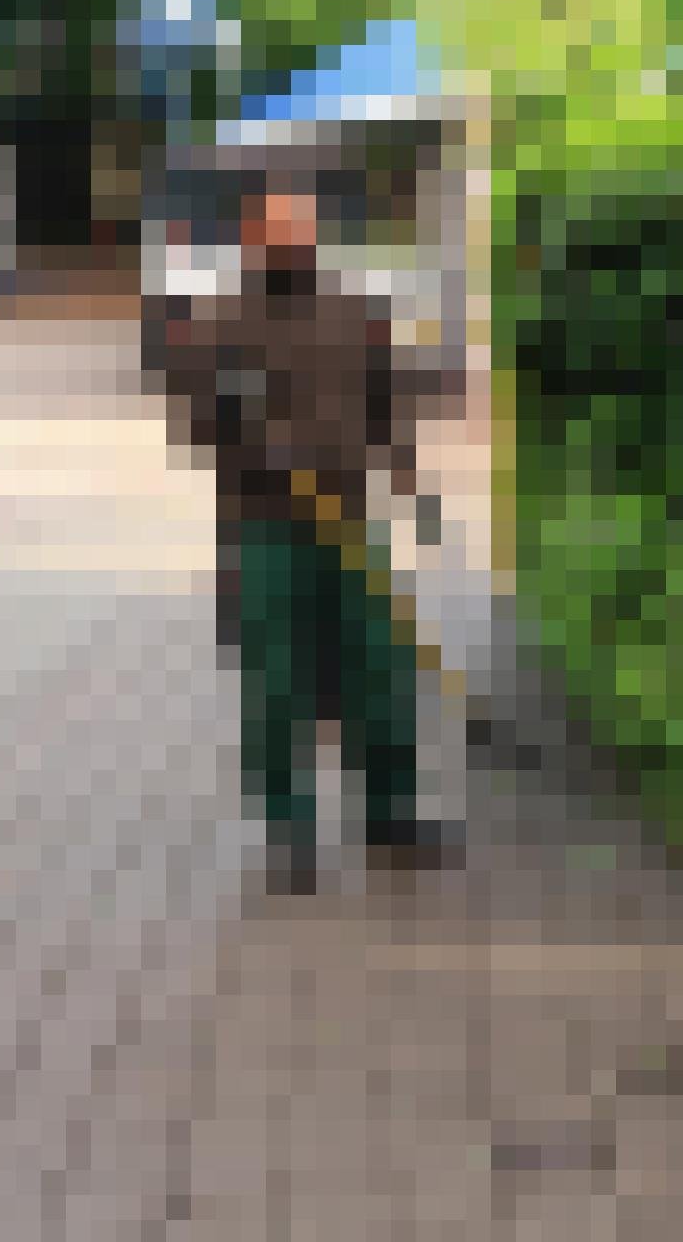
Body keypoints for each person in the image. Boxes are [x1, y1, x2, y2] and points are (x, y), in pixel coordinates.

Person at [152, 169, 467, 894]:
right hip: (263, 526)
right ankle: (289, 833)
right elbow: (193, 429)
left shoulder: (357, 313)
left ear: (319, 232)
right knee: (276, 681)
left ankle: (390, 815)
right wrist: (225, 414)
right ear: (253, 237)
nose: (291, 236)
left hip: (352, 521)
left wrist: (415, 488)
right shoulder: (220, 323)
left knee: (382, 667)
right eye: (277, 227)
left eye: (302, 225)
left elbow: (390, 406)